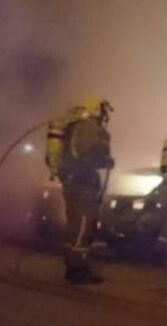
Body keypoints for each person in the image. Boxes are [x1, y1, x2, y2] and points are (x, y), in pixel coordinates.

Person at [45, 96, 114, 284]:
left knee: (75, 227)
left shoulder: (73, 127)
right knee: (84, 227)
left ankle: (72, 266)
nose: (105, 116)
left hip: (73, 182)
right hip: (83, 184)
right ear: (96, 109)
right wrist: (105, 160)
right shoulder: (88, 127)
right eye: (103, 111)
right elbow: (85, 154)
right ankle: (79, 269)